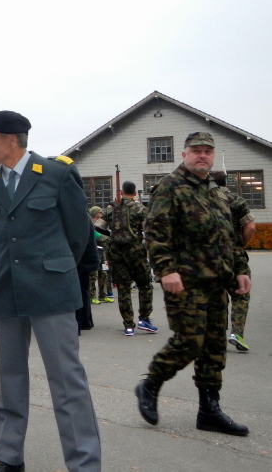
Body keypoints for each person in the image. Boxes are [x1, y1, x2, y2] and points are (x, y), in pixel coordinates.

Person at [0, 110, 101, 472]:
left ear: (12, 139)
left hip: (52, 291)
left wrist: (53, 269)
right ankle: (8, 456)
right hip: (6, 290)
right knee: (10, 378)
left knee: (67, 381)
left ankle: (84, 464)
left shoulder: (56, 174)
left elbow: (78, 235)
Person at [135, 132, 251, 437]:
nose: (202, 155)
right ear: (184, 154)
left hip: (217, 282)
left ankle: (209, 410)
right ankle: (150, 384)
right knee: (189, 341)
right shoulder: (170, 186)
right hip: (186, 282)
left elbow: (229, 236)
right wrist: (166, 270)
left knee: (214, 347)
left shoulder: (216, 191)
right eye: (196, 150)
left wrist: (240, 268)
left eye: (207, 151)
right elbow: (155, 232)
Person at [103, 181, 157, 336]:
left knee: (123, 288)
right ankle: (144, 318)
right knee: (145, 285)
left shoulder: (112, 209)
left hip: (117, 253)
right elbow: (149, 230)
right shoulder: (140, 209)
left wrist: (111, 237)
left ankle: (128, 325)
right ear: (134, 193)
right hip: (136, 252)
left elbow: (99, 227)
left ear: (121, 192)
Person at [213, 171, 256, 352]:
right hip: (234, 254)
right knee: (241, 293)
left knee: (218, 295)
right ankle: (237, 333)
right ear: (226, 183)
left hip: (211, 255)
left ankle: (218, 335)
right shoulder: (237, 200)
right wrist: (241, 245)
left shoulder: (204, 201)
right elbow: (250, 227)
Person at [87, 206, 113, 305]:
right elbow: (98, 236)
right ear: (95, 213)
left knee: (104, 273)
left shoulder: (101, 224)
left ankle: (103, 295)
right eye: (100, 212)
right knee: (93, 275)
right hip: (94, 252)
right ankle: (92, 296)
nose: (102, 214)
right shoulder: (90, 224)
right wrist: (109, 238)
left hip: (103, 253)